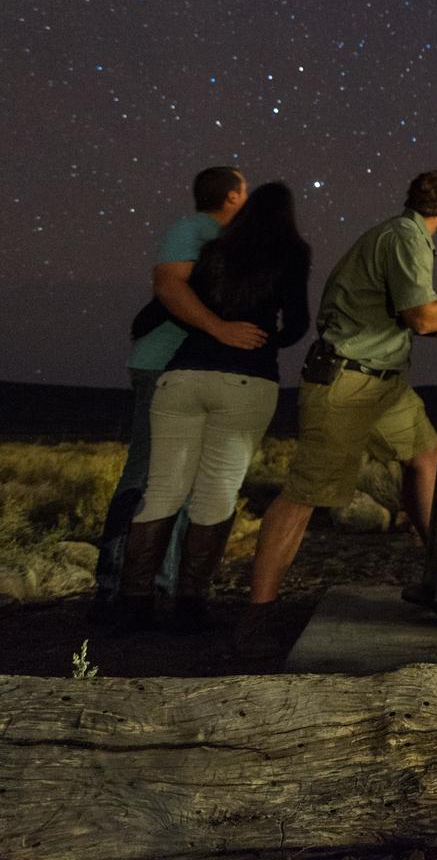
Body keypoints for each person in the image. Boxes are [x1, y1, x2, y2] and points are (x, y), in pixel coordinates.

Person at [235, 170, 437, 659]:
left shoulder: (401, 235)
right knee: (305, 494)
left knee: (426, 456)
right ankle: (256, 617)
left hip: (383, 381)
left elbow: (416, 314)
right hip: (347, 381)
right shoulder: (405, 238)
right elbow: (422, 317)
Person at [114, 181, 312, 632]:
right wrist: (270, 340)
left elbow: (165, 306)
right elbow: (298, 320)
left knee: (162, 489)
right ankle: (189, 604)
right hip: (247, 379)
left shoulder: (215, 250)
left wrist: (212, 328)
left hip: (182, 376)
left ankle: (134, 603)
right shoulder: (292, 251)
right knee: (216, 492)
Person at [92, 166, 266, 619]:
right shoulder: (191, 229)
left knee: (183, 483)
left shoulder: (225, 241)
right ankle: (115, 591)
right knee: (147, 477)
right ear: (231, 196)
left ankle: (162, 590)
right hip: (161, 367)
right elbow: (169, 285)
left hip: (195, 372)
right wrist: (220, 329)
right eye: (244, 191)